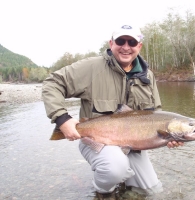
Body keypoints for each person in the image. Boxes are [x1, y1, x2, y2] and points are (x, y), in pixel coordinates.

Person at [42, 24, 183, 198]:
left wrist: (168, 138)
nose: (126, 47)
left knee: (151, 191)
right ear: (111, 43)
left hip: (133, 146)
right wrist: (61, 119)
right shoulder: (92, 67)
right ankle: (103, 192)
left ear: (139, 46)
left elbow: (157, 114)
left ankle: (124, 186)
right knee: (115, 169)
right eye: (120, 41)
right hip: (98, 140)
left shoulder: (148, 76)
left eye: (132, 42)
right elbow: (52, 83)